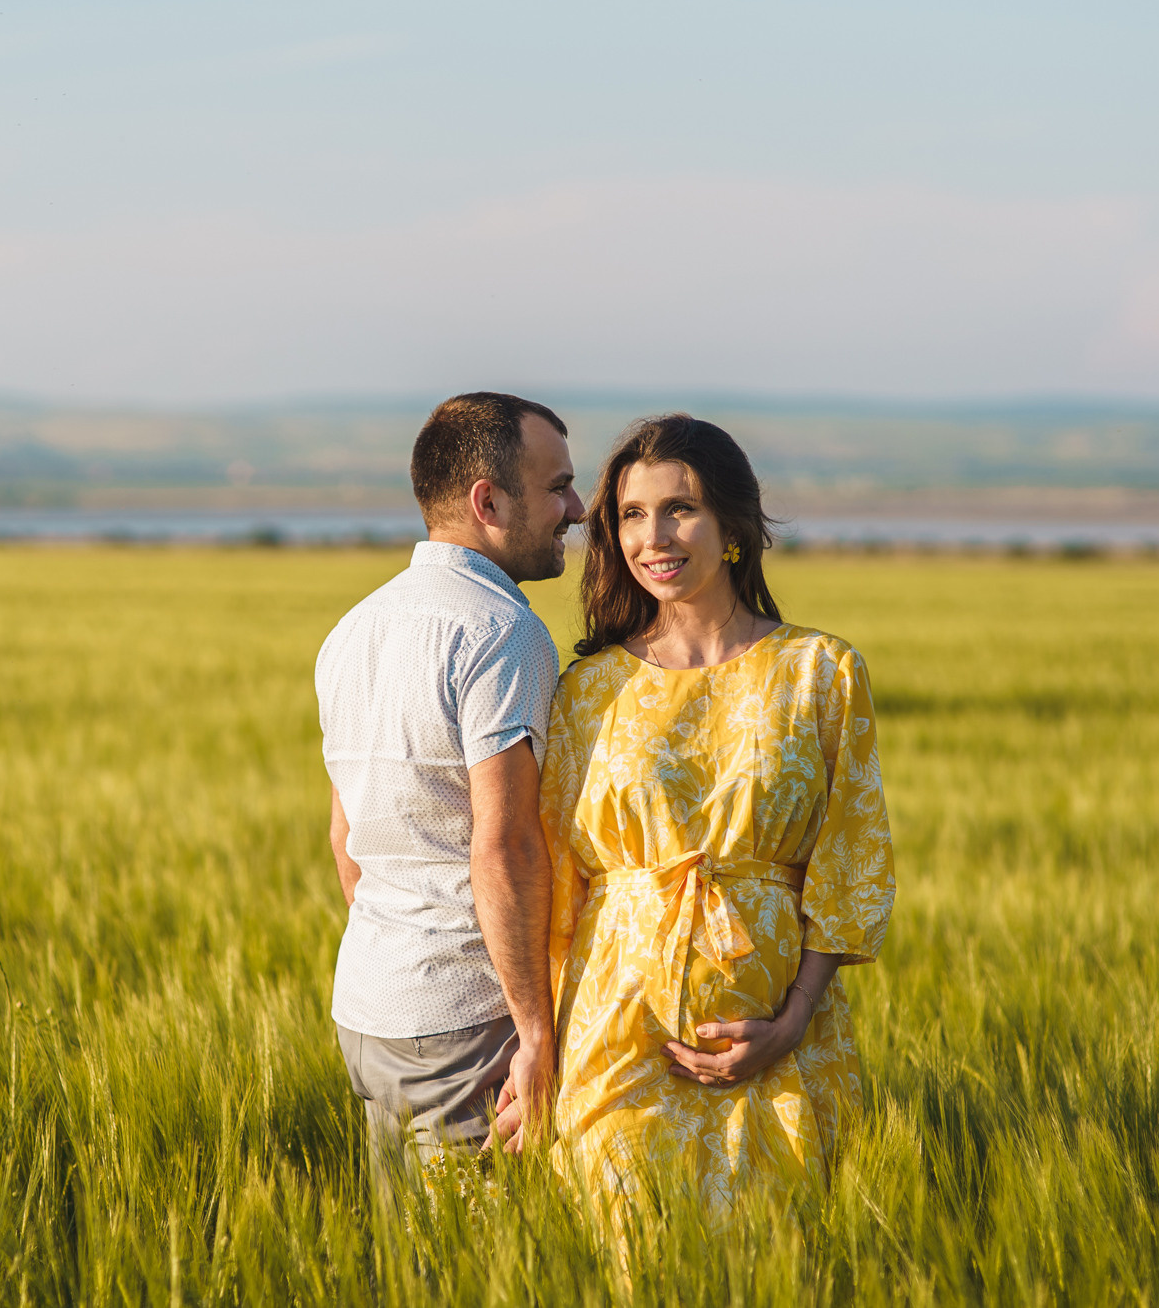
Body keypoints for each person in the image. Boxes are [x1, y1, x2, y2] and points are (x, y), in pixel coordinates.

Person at [537, 414, 895, 1218]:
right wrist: (538, 1045)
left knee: (781, 1255)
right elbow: (557, 884)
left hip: (780, 1041)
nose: (653, 536)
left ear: (733, 525)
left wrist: (792, 1021)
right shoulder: (587, 690)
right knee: (622, 1244)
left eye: (680, 508)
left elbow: (852, 858)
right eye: (632, 514)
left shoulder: (821, 671)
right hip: (617, 1033)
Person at [317, 391, 587, 1170]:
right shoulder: (502, 632)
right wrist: (535, 1031)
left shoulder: (352, 629)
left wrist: (401, 949)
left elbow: (345, 834)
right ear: (488, 502)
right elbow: (504, 847)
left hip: (368, 1002)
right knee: (476, 1238)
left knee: (399, 1237)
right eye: (559, 487)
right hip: (466, 1018)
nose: (577, 509)